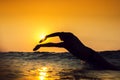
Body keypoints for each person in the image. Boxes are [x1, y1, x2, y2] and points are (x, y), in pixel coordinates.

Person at [33, 32, 119, 70]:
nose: (60, 38)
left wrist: (41, 45)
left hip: (92, 56)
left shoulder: (68, 42)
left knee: (111, 68)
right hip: (89, 57)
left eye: (62, 37)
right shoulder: (70, 38)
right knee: (106, 68)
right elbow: (58, 34)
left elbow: (52, 43)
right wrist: (47, 37)